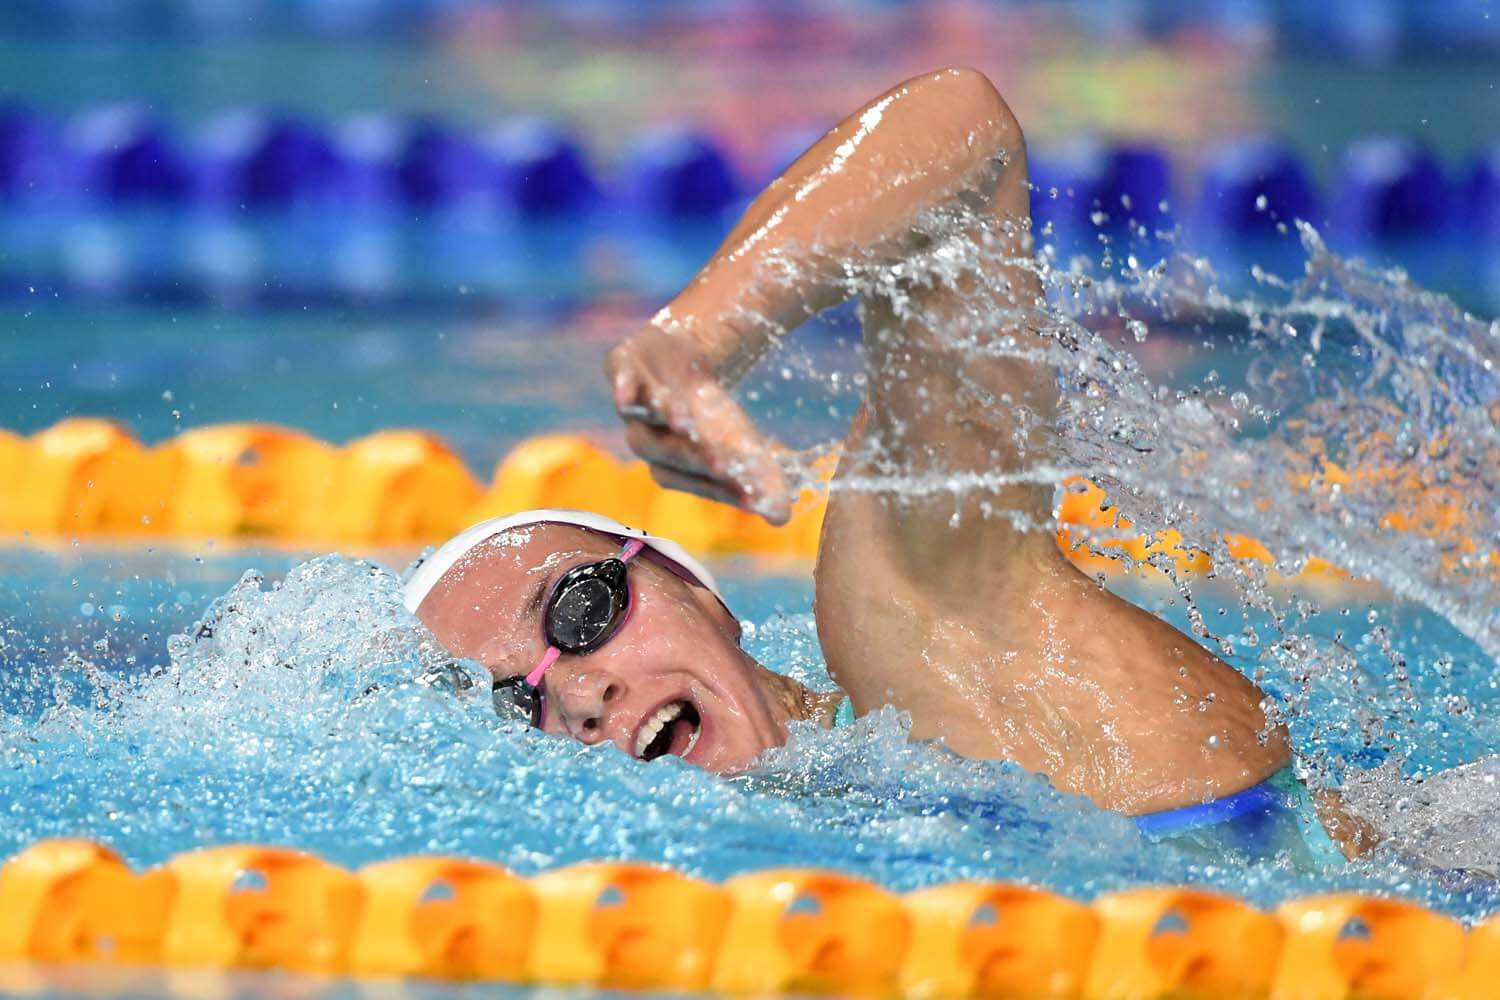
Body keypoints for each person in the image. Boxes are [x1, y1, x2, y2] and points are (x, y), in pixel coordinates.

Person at [404, 68, 1352, 864]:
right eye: (511, 708)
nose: (574, 692)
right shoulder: (804, 855)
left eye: (580, 612)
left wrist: (695, 339)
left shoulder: (928, 641)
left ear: (698, 593)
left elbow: (963, 134)